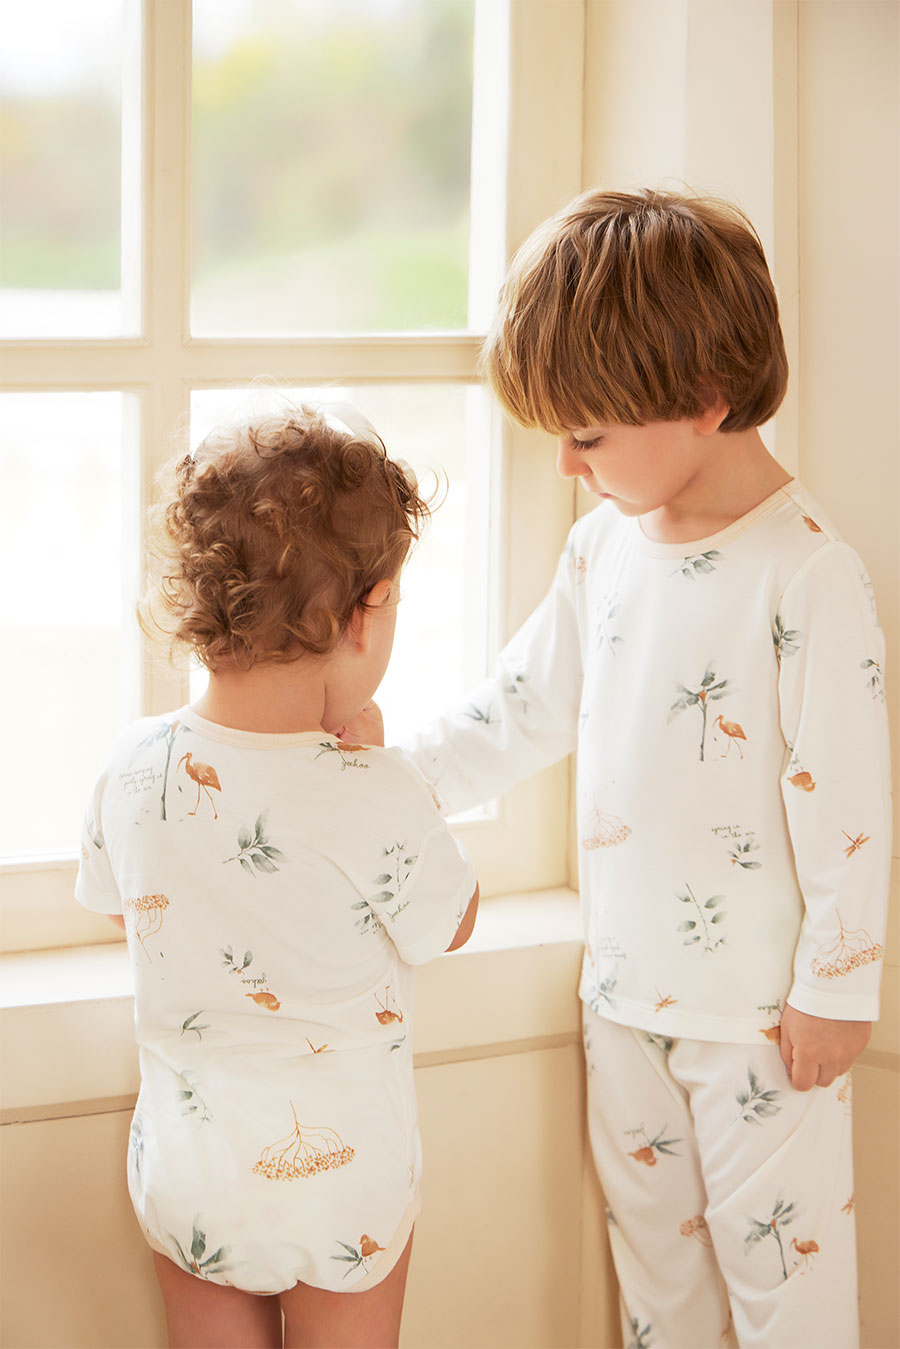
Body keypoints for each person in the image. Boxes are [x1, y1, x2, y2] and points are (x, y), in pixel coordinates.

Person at [390, 189, 890, 1348]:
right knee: (658, 1291)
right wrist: (376, 784)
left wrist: (838, 985)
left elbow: (848, 800)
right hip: (621, 998)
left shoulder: (807, 573)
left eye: (588, 435)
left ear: (705, 397)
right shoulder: (601, 545)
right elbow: (522, 708)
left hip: (763, 1021)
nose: (566, 463)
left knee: (789, 1300)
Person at [75, 402, 479, 1349]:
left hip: (195, 1171)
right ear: (363, 613)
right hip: (343, 1184)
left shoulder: (133, 764)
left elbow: (122, 907)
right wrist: (390, 775)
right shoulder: (372, 788)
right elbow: (449, 921)